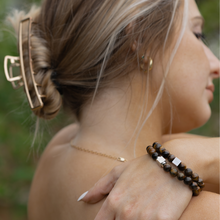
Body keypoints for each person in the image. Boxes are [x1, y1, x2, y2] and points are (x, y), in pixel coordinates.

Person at [4, 0, 219, 219]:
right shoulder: (182, 211)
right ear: (142, 40)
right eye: (197, 34)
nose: (216, 65)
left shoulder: (61, 148)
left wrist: (197, 156)